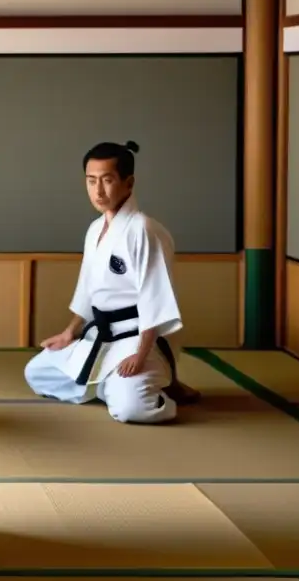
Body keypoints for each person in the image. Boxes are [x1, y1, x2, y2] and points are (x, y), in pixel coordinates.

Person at [23, 140, 193, 424]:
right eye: (91, 181)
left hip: (137, 338)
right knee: (37, 372)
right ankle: (110, 386)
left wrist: (140, 355)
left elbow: (155, 298)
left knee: (133, 410)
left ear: (128, 183)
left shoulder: (144, 230)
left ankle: (155, 385)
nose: (98, 191)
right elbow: (88, 289)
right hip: (100, 338)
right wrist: (69, 333)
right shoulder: (95, 230)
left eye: (107, 180)